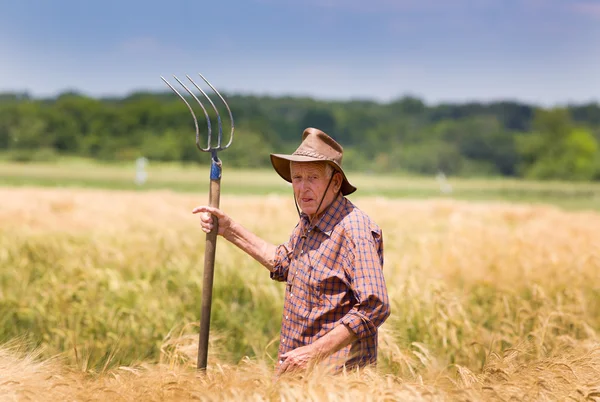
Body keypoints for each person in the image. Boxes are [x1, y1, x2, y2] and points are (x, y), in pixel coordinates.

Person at [192, 127, 390, 374]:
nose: (302, 188)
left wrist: (313, 353)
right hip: (297, 380)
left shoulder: (354, 229)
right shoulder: (310, 221)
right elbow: (284, 262)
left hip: (336, 385)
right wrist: (229, 228)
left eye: (313, 178)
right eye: (297, 178)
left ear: (336, 181)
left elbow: (375, 306)